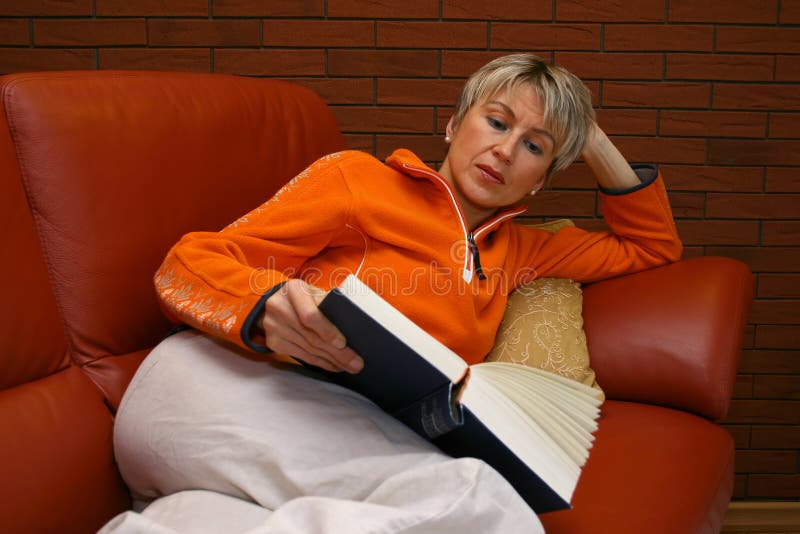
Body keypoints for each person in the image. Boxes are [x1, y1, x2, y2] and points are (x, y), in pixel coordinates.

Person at [104, 54, 682, 533]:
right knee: (487, 509)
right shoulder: (357, 180)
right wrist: (264, 308)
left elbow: (652, 245)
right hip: (222, 390)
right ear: (454, 125)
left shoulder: (524, 250)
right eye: (498, 122)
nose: (506, 150)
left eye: (536, 147)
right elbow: (185, 265)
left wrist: (590, 135)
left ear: (544, 178)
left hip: (320, 438)